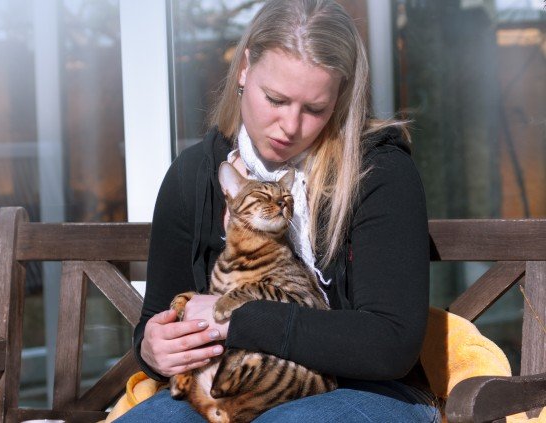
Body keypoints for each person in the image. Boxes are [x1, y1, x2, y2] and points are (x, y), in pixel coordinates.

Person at [117, 0, 440, 421]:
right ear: (244, 68)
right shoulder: (194, 175)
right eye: (276, 99)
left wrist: (240, 320)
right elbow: (155, 320)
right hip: (226, 383)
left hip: (366, 389)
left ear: (340, 96)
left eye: (314, 109)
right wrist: (154, 349)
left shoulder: (378, 172)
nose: (290, 125)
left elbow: (390, 343)